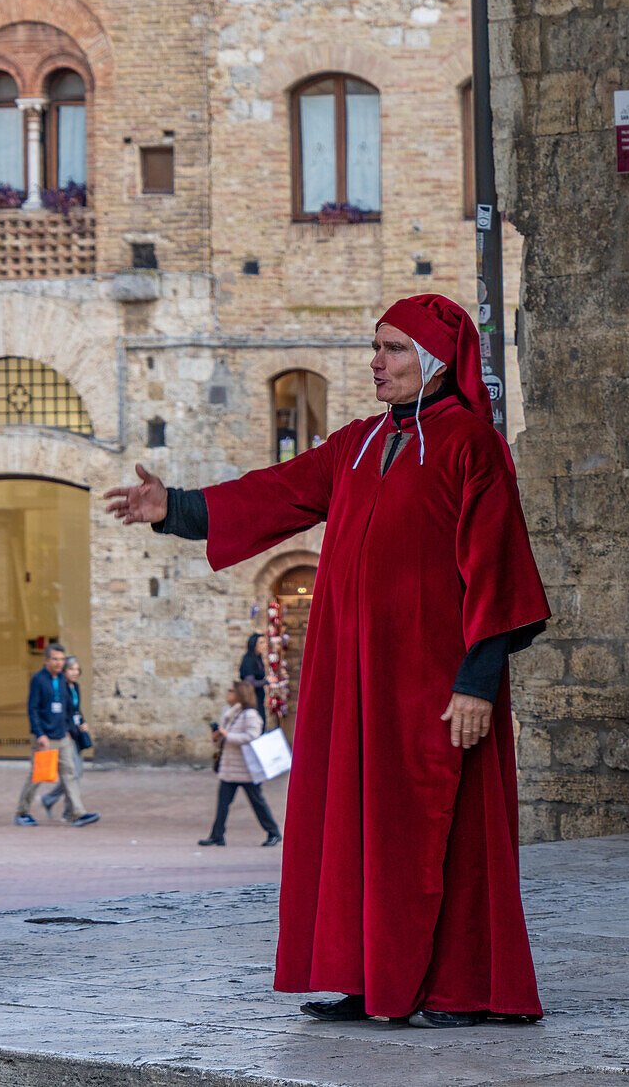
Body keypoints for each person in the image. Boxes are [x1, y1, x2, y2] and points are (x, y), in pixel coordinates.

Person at [105, 293, 550, 1028]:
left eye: (394, 348)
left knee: (450, 828)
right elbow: (270, 496)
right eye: (374, 347)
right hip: (355, 687)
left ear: (436, 362)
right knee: (357, 828)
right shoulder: (355, 445)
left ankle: (463, 987)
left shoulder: (471, 446)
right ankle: (366, 978)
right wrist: (173, 508)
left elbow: (497, 571)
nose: (376, 362)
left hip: (437, 685)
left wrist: (477, 682)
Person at [14, 643, 99, 828]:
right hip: (45, 738)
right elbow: (33, 709)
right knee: (38, 776)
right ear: (46, 660)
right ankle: (22, 812)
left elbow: (66, 708)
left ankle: (78, 813)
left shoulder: (62, 679)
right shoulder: (38, 679)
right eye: (55, 659)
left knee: (70, 773)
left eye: (61, 659)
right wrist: (40, 734)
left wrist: (67, 730)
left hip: (62, 737)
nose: (59, 663)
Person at [198, 680, 282, 847]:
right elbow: (226, 737)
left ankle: (273, 832)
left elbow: (252, 736)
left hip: (246, 769)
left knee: (257, 802)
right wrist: (218, 736)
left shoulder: (250, 715)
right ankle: (217, 835)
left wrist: (227, 735)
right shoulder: (232, 713)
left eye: (231, 691)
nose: (228, 694)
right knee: (222, 803)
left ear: (240, 694)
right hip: (230, 767)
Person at [40, 656, 92, 822]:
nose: (75, 672)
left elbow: (76, 710)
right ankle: (69, 812)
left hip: (76, 734)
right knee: (73, 773)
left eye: (77, 669)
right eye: (71, 669)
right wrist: (64, 730)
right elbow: (60, 713)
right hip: (66, 735)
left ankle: (50, 799)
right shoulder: (61, 688)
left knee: (76, 773)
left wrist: (83, 723)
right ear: (64, 671)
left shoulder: (75, 686)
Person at [239, 633, 267, 728]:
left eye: (264, 642)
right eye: (261, 642)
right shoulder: (248, 660)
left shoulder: (257, 658)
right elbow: (250, 682)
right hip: (252, 702)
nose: (265, 645)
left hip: (258, 699)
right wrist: (267, 681)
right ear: (254, 644)